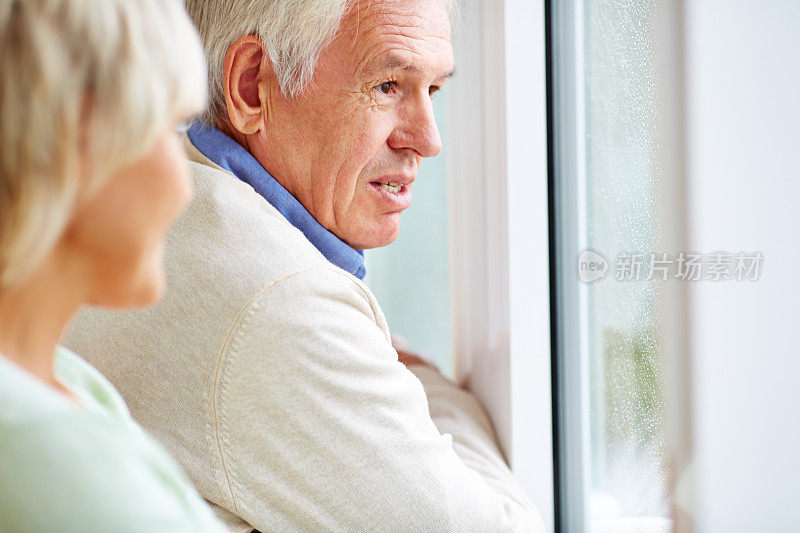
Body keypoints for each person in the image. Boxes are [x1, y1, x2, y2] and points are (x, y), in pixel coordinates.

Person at [65, 0, 546, 531]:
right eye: (388, 86)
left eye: (433, 90)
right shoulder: (278, 300)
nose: (428, 140)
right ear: (252, 87)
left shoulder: (154, 204)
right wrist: (434, 388)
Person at [0, 0, 227, 531]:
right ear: (78, 137)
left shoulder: (67, 381)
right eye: (170, 129)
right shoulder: (48, 456)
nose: (184, 189)